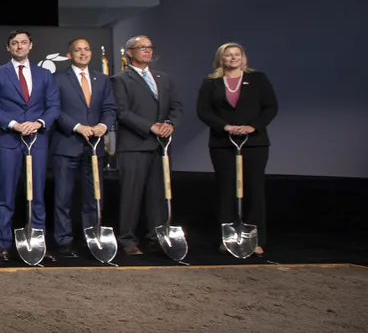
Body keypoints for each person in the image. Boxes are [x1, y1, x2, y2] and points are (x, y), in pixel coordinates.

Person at [0, 30, 61, 262]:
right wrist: (15, 124)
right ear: (8, 48)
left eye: (23, 43)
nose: (19, 47)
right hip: (8, 140)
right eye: (14, 43)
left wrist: (38, 122)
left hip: (37, 141)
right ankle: (4, 244)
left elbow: (54, 106)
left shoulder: (45, 74)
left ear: (31, 46)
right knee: (5, 194)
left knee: (36, 194)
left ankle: (38, 243)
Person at [196, 42, 277, 256]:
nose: (232, 58)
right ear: (220, 59)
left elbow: (270, 107)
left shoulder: (258, 79)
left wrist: (253, 126)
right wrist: (225, 127)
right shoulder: (210, 83)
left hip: (254, 143)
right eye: (228, 55)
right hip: (223, 143)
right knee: (226, 190)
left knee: (254, 189)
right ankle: (228, 238)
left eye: (236, 54)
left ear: (243, 57)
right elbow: (203, 111)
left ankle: (255, 239)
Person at [111, 35, 183, 256]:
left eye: (149, 47)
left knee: (158, 195)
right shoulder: (120, 79)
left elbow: (177, 106)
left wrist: (170, 124)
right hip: (134, 144)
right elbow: (121, 112)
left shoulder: (164, 78)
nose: (147, 51)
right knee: (131, 195)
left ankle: (156, 237)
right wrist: (150, 126)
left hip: (160, 145)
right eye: (141, 47)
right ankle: (127, 239)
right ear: (129, 52)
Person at [49, 38, 117, 258]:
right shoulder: (57, 79)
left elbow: (109, 108)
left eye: (87, 49)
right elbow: (55, 110)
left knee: (94, 196)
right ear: (70, 55)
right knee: (63, 198)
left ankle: (92, 237)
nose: (83, 53)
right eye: (78, 50)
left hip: (94, 147)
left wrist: (103, 126)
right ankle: (64, 241)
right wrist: (77, 127)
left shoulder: (103, 79)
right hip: (66, 145)